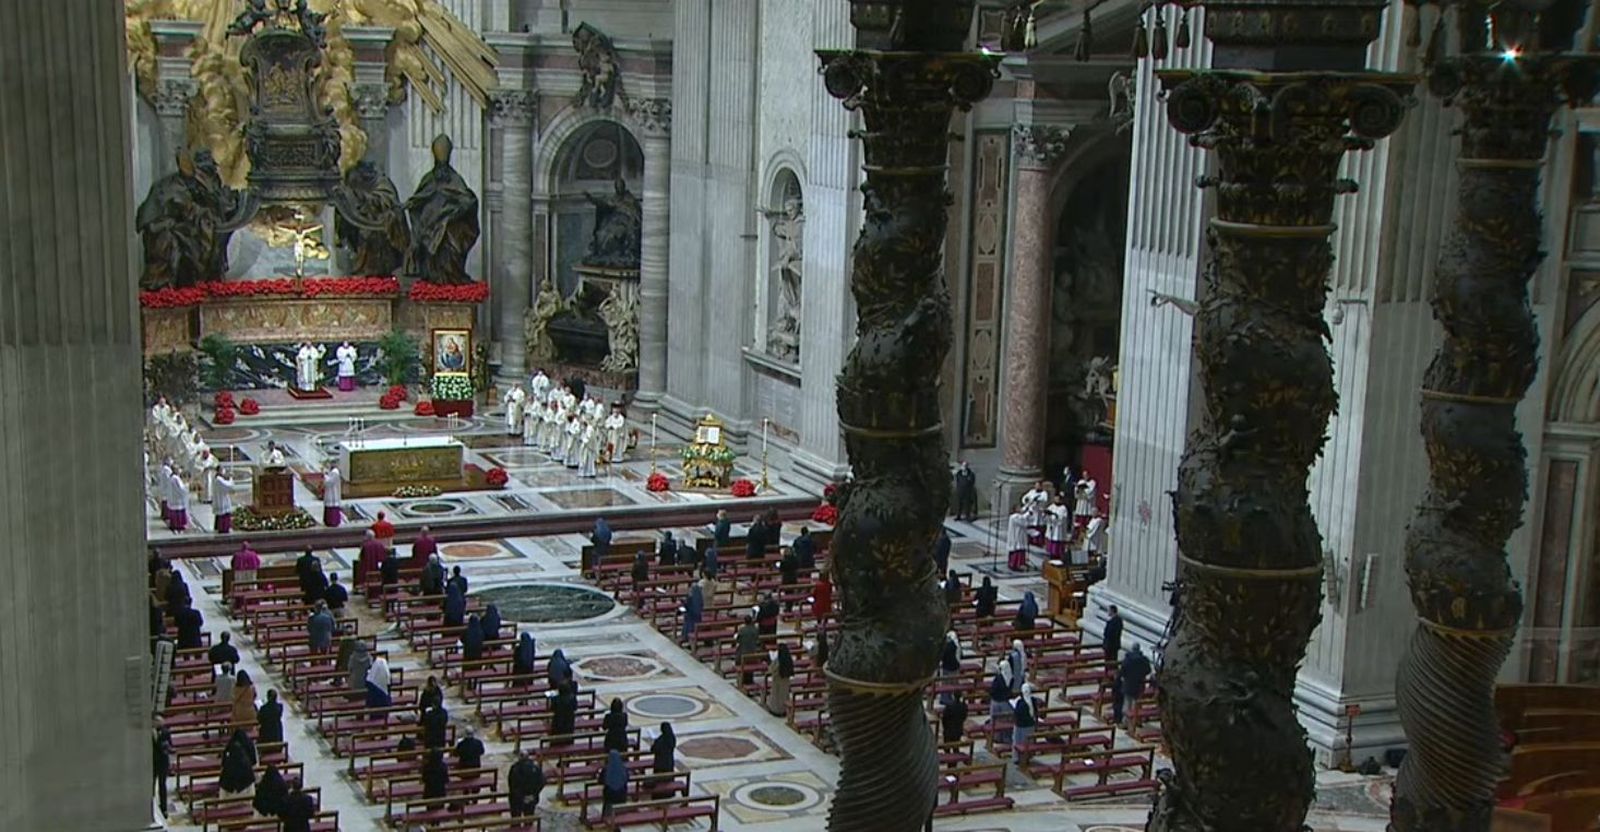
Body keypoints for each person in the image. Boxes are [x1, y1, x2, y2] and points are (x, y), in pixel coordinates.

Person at [1117, 644, 1152, 730]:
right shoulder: (1144, 660)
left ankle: (1126, 722)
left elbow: (1122, 671)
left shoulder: (1128, 660)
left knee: (1127, 704)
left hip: (1128, 684)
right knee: (1137, 704)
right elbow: (1148, 670)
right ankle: (1137, 720)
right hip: (1139, 684)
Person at [508, 750, 546, 818]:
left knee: (516, 820)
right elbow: (542, 782)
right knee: (529, 818)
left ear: (519, 757)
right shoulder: (535, 767)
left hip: (517, 800)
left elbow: (512, 785)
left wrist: (522, 797)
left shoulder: (515, 768)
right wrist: (534, 794)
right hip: (531, 798)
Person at [219, 728, 257, 794]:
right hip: (246, 798)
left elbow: (223, 764)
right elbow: (254, 762)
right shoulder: (248, 771)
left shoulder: (227, 771)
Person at [1012, 683, 1038, 766]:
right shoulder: (1033, 700)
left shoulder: (1021, 702)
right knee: (1028, 742)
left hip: (1020, 726)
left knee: (1018, 742)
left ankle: (1017, 758)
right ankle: (1027, 757)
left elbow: (1017, 713)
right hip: (1030, 725)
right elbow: (1035, 712)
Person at [153, 717, 174, 816]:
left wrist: (168, 749)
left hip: (163, 762)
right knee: (151, 786)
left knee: (162, 785)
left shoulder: (166, 732)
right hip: (152, 762)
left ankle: (164, 808)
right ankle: (151, 806)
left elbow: (170, 745)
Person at [767, 643, 794, 716]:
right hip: (785, 681)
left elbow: (771, 670)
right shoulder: (789, 660)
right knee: (784, 695)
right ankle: (783, 710)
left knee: (776, 696)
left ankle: (776, 710)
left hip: (777, 681)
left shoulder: (778, 661)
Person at [600, 749, 628, 819]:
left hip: (610, 795)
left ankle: (606, 817)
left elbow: (601, 780)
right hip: (622, 795)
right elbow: (627, 778)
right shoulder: (623, 768)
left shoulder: (606, 769)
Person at [734, 616, 761, 685]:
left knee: (741, 661)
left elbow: (738, 640)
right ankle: (750, 680)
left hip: (743, 651)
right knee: (751, 661)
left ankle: (743, 680)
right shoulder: (755, 629)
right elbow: (757, 640)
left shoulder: (742, 630)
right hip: (753, 651)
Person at [681, 580, 705, 644]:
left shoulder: (690, 596)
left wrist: (683, 605)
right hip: (697, 616)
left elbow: (687, 606)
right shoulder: (699, 596)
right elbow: (701, 605)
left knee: (688, 624)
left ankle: (686, 637)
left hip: (691, 616)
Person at [323, 462, 343, 528]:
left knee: (332, 506)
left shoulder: (335, 472)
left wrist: (325, 476)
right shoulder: (332, 472)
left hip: (333, 494)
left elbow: (329, 482)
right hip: (330, 493)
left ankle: (333, 521)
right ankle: (329, 521)